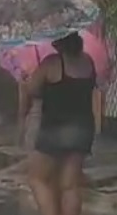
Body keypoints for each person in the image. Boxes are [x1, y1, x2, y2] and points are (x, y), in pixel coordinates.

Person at [22, 32, 97, 215]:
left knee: (37, 179)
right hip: (83, 129)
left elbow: (32, 90)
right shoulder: (87, 61)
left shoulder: (51, 63)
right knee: (70, 186)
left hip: (54, 128)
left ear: (60, 43)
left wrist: (29, 78)